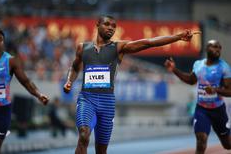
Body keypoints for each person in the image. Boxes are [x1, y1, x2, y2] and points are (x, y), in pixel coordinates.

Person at [63, 15, 196, 154]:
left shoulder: (119, 47)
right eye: (107, 24)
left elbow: (149, 42)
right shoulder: (82, 48)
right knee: (83, 136)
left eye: (114, 26)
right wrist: (69, 81)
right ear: (97, 25)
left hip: (107, 102)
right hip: (87, 99)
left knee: (101, 150)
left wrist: (178, 36)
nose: (111, 28)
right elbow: (75, 67)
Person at [0, 29, 49, 154]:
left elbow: (26, 81)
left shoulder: (11, 61)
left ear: (3, 42)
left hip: (3, 110)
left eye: (0, 39)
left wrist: (39, 95)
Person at [164, 39, 231, 153]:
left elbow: (230, 91)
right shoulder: (198, 65)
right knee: (201, 139)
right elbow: (191, 80)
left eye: (219, 47)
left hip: (218, 110)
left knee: (227, 145)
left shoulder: (224, 67)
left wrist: (215, 90)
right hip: (202, 109)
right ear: (206, 49)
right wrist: (174, 70)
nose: (217, 50)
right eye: (214, 47)